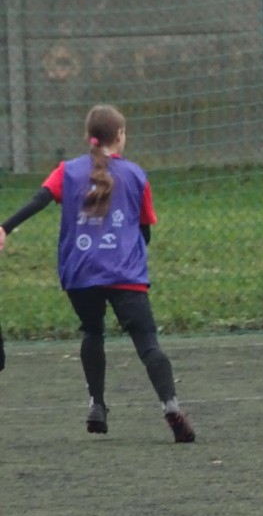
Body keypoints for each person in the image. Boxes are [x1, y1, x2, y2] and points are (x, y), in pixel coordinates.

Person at [0, 105, 196, 442]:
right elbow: (144, 231)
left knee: (92, 332)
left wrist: (5, 228)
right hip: (125, 273)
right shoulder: (136, 175)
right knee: (147, 343)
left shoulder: (67, 171)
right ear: (119, 135)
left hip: (81, 272)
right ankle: (171, 406)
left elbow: (38, 200)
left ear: (89, 136)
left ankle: (97, 405)